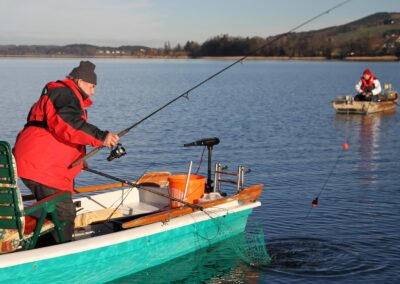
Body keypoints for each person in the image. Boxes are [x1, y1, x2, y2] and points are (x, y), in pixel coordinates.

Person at [13, 61, 119, 243]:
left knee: (54, 208)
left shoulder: (61, 93)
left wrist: (79, 158)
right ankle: (54, 254)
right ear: (79, 81)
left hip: (41, 164)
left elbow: (56, 132)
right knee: (64, 211)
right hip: (41, 167)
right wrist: (101, 136)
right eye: (91, 86)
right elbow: (68, 124)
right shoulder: (64, 93)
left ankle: (41, 244)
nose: (93, 92)